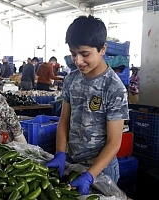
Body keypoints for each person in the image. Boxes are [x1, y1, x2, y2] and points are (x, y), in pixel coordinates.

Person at [45, 15, 129, 195]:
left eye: (85, 54)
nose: (78, 61)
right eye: (73, 53)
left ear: (102, 49)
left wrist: (90, 175)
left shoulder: (114, 88)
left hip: (101, 169)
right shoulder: (71, 79)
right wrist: (60, 153)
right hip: (72, 163)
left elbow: (115, 142)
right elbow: (64, 122)